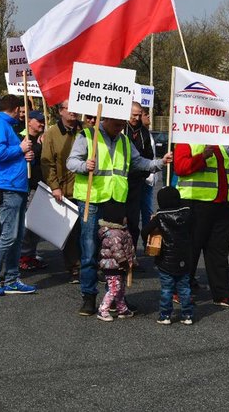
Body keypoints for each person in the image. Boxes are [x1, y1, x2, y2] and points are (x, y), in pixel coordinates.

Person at [67, 116, 172, 316]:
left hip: (115, 202)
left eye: (122, 125)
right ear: (105, 119)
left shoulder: (124, 140)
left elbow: (138, 162)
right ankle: (88, 297)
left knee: (116, 253)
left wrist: (159, 163)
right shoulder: (88, 135)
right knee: (89, 250)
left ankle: (114, 297)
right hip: (92, 200)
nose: (120, 128)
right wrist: (84, 166)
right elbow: (71, 162)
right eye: (116, 125)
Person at [173, 143, 229, 309]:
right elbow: (180, 168)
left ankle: (221, 294)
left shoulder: (220, 143)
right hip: (196, 204)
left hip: (221, 206)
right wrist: (202, 157)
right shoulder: (187, 140)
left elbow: (226, 176)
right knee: (191, 250)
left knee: (219, 252)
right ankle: (180, 290)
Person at [0, 94, 37, 295]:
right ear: (15, 109)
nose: (22, 115)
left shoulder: (6, 127)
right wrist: (20, 148)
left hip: (15, 185)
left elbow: (9, 153)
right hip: (7, 186)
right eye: (21, 111)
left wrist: (24, 154)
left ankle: (12, 278)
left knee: (16, 235)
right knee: (9, 235)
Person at [40, 100, 83, 283]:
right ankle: (74, 267)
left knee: (86, 232)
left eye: (76, 107)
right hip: (65, 191)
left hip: (85, 189)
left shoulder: (86, 131)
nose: (73, 111)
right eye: (69, 108)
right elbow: (46, 162)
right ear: (60, 111)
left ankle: (88, 265)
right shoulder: (51, 134)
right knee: (71, 233)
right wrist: (55, 186)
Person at [142, 186, 194, 325]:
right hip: (184, 257)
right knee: (184, 288)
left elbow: (145, 231)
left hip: (166, 259)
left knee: (167, 289)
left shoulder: (160, 217)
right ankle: (187, 315)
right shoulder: (187, 213)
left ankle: (165, 315)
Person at [94, 200, 136, 322]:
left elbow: (128, 248)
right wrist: (124, 261)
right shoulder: (114, 234)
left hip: (117, 265)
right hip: (112, 266)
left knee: (120, 288)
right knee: (114, 288)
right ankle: (103, 310)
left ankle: (121, 308)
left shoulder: (119, 231)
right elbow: (117, 250)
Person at [124, 102, 155, 252]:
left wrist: (143, 174)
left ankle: (131, 255)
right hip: (120, 180)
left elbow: (149, 155)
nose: (136, 118)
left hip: (137, 182)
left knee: (133, 221)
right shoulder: (121, 129)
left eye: (138, 114)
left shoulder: (144, 132)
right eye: (133, 115)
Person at [19, 110, 47, 272]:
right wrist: (38, 146)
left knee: (37, 224)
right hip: (28, 185)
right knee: (26, 224)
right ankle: (22, 256)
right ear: (29, 121)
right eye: (38, 120)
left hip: (42, 185)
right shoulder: (23, 137)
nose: (42, 123)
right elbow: (27, 156)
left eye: (43, 120)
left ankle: (31, 255)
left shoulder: (44, 137)